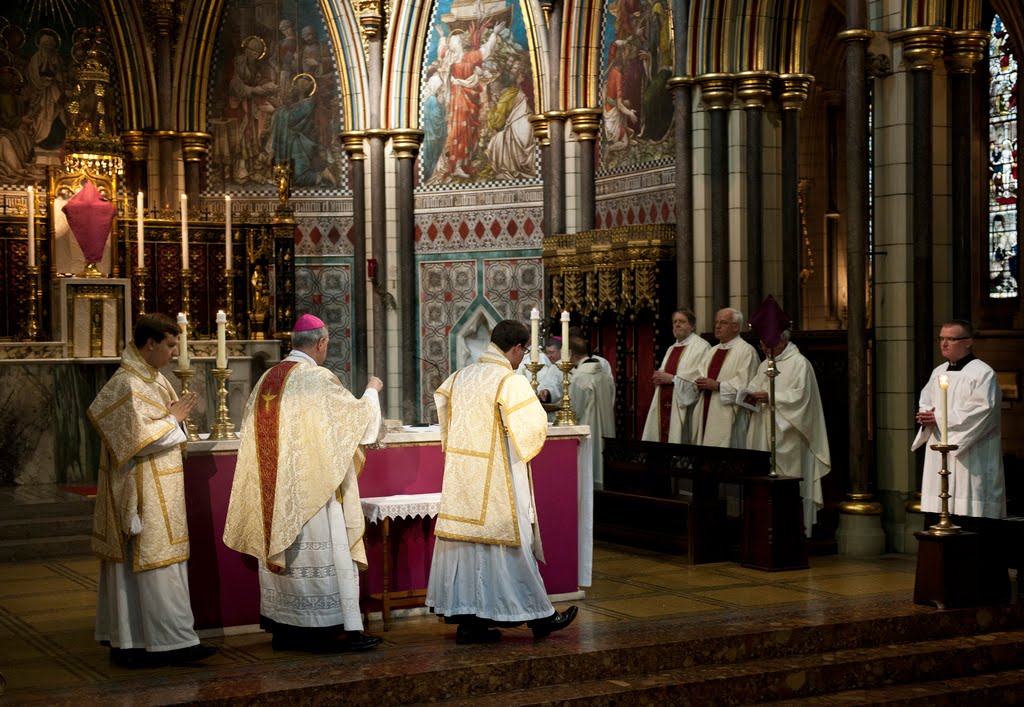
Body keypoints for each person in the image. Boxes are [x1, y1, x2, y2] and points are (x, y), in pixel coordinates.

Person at [223, 314, 385, 653]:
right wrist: (371, 391)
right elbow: (361, 426)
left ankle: (286, 629)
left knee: (289, 558)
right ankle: (330, 631)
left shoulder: (266, 379)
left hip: (275, 495)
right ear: (321, 343)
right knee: (321, 556)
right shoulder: (318, 378)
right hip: (313, 496)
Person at [426, 320, 578, 644]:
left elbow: (443, 410)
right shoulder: (510, 381)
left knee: (469, 552)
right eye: (523, 352)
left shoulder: (460, 377)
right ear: (518, 347)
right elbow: (534, 428)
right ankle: (540, 617)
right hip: (499, 478)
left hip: (464, 477)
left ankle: (470, 624)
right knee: (512, 546)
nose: (523, 359)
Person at [89, 313, 216, 668]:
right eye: (171, 344)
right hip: (141, 491)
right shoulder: (128, 383)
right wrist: (172, 419)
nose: (175, 352)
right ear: (150, 344)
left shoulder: (151, 379)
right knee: (154, 567)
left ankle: (140, 642)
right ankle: (164, 644)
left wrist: (172, 420)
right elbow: (136, 442)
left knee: (157, 567)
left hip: (158, 485)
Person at [739, 330, 831, 537]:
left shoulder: (800, 363)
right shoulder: (765, 364)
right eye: (761, 345)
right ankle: (764, 528)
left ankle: (793, 531)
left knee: (789, 481)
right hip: (764, 431)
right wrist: (748, 397)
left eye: (766, 344)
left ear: (781, 341)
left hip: (790, 436)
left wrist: (771, 397)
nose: (763, 349)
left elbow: (802, 398)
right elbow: (753, 388)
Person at [913, 320, 1005, 523]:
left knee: (967, 507)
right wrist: (927, 415)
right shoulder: (938, 372)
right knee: (938, 505)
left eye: (951, 339)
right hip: (939, 449)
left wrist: (938, 418)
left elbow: (983, 411)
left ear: (968, 342)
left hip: (972, 456)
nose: (944, 343)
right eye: (941, 338)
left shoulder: (982, 373)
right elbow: (925, 401)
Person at [689, 308, 759, 447]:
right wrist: (698, 383)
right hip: (706, 409)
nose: (717, 326)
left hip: (731, 415)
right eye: (716, 322)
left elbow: (748, 389)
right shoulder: (713, 350)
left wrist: (718, 386)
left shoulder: (746, 351)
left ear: (735, 327)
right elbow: (700, 374)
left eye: (723, 322)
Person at [641, 308, 710, 444]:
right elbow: (665, 371)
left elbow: (700, 380)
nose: (677, 325)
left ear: (692, 326)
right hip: (665, 401)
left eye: (682, 321)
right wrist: (658, 376)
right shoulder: (672, 348)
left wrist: (672, 379)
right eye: (675, 322)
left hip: (685, 408)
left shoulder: (701, 347)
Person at [568, 335, 616, 487]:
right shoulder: (604, 374)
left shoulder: (579, 377)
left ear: (570, 353)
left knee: (587, 475)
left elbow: (574, 411)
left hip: (588, 431)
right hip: (606, 430)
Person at [516, 337, 563, 406]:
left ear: (561, 351)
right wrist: (545, 392)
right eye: (547, 352)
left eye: (552, 352)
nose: (549, 356)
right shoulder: (553, 365)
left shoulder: (557, 365)